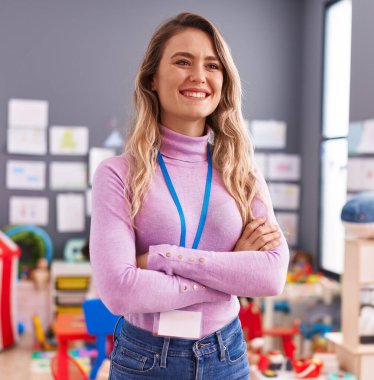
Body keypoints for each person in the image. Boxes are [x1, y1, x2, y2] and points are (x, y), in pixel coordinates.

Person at [90, 12, 289, 379]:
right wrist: (231, 269)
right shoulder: (118, 173)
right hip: (146, 359)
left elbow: (271, 276)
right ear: (152, 77)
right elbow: (119, 291)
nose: (199, 75)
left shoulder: (242, 173)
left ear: (223, 81)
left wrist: (162, 258)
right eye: (183, 61)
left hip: (225, 354)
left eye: (212, 65)